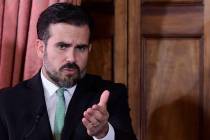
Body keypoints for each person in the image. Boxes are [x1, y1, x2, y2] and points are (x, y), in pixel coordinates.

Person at [0, 2, 137, 140]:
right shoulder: (7, 102)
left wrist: (104, 133)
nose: (72, 58)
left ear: (89, 49)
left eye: (80, 48)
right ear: (41, 48)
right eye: (62, 46)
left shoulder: (111, 96)